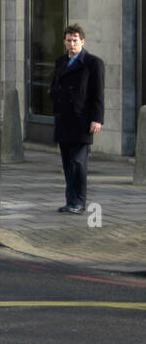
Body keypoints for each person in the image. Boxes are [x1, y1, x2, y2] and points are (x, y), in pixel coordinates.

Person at [48, 23, 104, 214]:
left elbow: (98, 93)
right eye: (69, 40)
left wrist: (97, 119)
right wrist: (54, 97)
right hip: (63, 118)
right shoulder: (61, 61)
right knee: (67, 163)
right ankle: (70, 201)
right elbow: (55, 84)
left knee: (78, 163)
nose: (72, 44)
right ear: (64, 42)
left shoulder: (93, 63)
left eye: (75, 40)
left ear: (82, 41)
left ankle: (79, 202)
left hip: (82, 120)